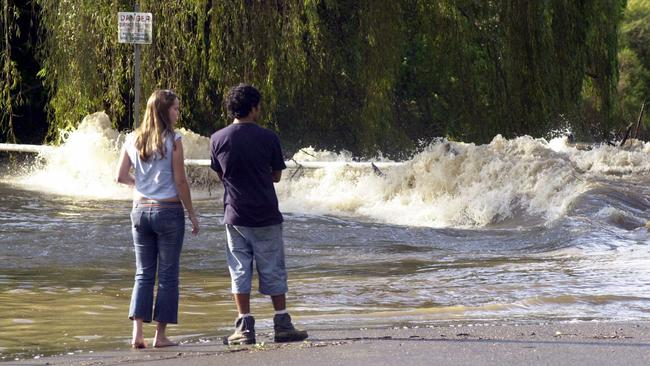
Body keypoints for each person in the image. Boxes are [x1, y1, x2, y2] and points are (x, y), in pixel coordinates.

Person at [210, 83, 308, 345]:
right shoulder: (269, 138)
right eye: (258, 106)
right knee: (273, 267)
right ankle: (282, 323)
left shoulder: (217, 139)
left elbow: (221, 175)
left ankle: (244, 326)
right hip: (265, 213)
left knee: (239, 270)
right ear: (253, 108)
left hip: (235, 214)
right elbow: (276, 175)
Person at [116, 89, 200, 349]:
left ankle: (137, 334)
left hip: (140, 211)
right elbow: (180, 181)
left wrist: (141, 185)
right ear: (165, 112)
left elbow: (120, 176)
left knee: (143, 273)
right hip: (168, 211)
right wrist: (192, 213)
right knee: (168, 274)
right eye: (175, 108)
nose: (178, 112)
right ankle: (160, 337)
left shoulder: (132, 139)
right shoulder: (173, 139)